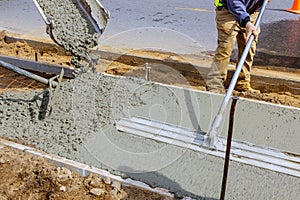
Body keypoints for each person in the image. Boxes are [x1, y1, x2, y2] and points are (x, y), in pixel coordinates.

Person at [206, 0, 266, 94]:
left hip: (252, 14)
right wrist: (246, 22)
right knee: (225, 49)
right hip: (228, 12)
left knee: (249, 49)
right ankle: (215, 84)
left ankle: (242, 82)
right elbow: (235, 3)